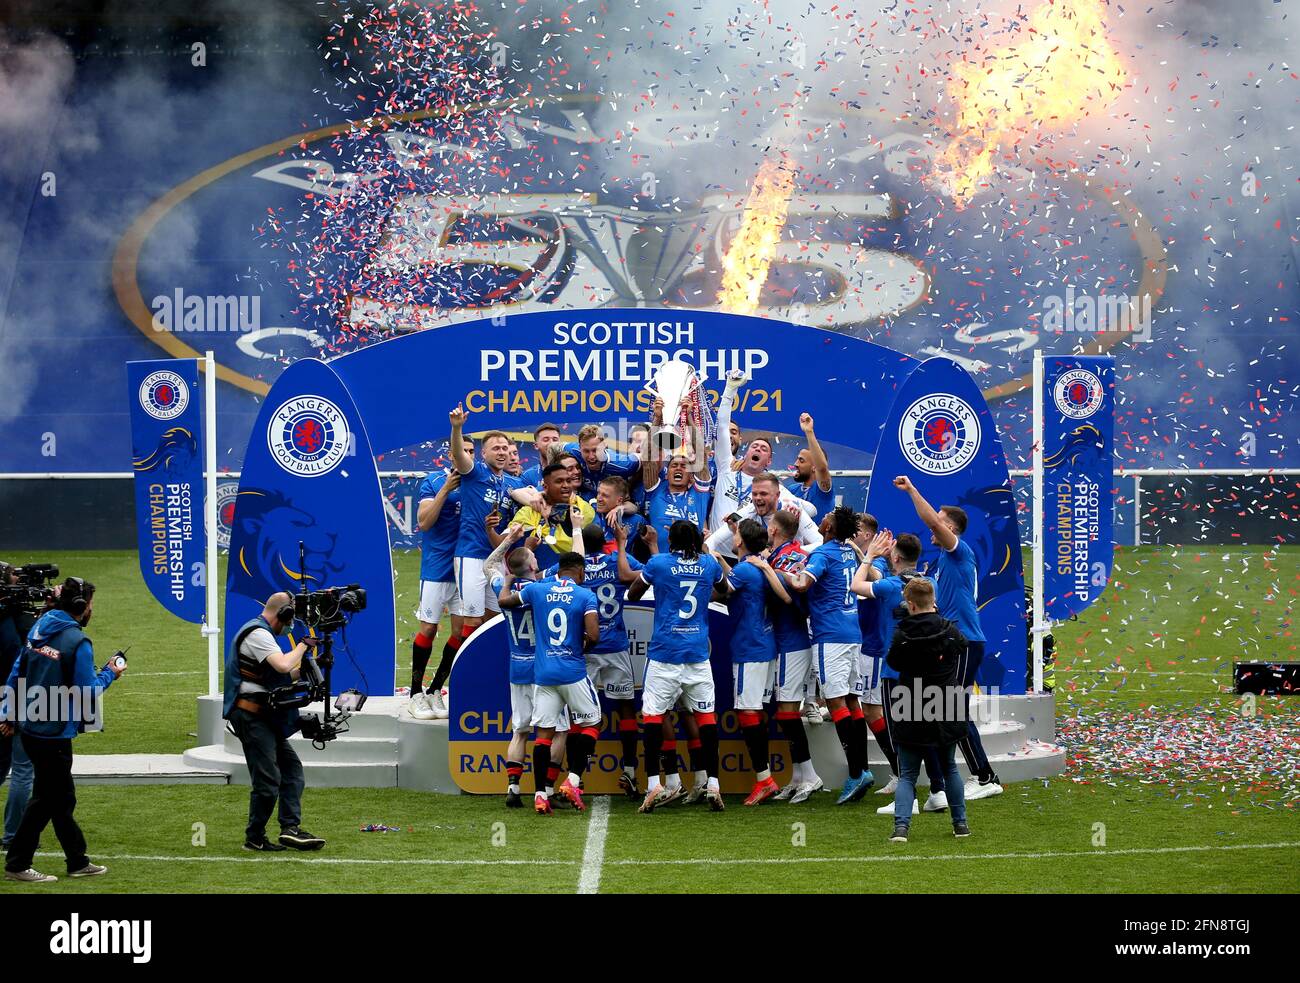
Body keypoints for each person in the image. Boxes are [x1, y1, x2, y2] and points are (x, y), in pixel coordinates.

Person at [3, 578, 125, 883]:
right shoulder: (77, 642)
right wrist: (110, 672)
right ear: (81, 607)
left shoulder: (40, 626)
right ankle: (19, 863)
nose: (92, 611)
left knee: (60, 796)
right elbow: (87, 691)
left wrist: (6, 712)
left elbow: (18, 669)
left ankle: (77, 859)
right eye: (91, 606)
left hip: (30, 727)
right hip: (53, 733)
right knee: (47, 799)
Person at [893, 475, 1003, 800]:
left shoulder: (959, 551)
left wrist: (912, 490)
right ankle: (945, 784)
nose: (933, 526)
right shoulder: (941, 561)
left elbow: (928, 518)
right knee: (945, 708)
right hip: (952, 641)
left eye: (940, 522)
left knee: (951, 709)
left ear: (951, 530)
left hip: (965, 641)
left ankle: (983, 777)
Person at [628, 520, 729, 813]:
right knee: (706, 719)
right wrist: (700, 593)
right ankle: (713, 782)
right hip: (697, 653)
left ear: (670, 540)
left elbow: (634, 594)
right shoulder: (709, 564)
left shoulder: (658, 563)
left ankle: (653, 784)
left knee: (653, 719)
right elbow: (725, 590)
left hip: (665, 654)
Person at [852, 532, 950, 816]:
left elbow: (856, 585)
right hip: (927, 668)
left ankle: (908, 797)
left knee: (902, 735)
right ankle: (937, 790)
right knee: (926, 730)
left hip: (895, 669)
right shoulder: (930, 584)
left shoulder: (889, 586)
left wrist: (870, 555)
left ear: (894, 556)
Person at [221, 592, 326, 853]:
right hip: (251, 715)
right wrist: (304, 645)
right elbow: (281, 666)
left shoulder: (262, 634)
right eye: (290, 619)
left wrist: (307, 668)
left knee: (291, 771)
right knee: (268, 781)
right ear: (284, 614)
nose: (290, 626)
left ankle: (290, 829)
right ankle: (254, 838)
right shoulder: (258, 633)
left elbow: (283, 673)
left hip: (263, 715)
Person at [498, 552, 600, 816]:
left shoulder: (537, 590)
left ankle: (540, 796)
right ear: (579, 572)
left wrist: (507, 582)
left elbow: (505, 602)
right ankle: (572, 781)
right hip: (572, 672)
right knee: (591, 723)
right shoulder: (585, 595)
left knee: (542, 735)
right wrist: (580, 645)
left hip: (543, 675)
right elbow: (595, 635)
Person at [785, 506, 874, 805]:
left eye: (828, 518)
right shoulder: (848, 552)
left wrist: (779, 571)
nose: (822, 518)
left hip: (830, 636)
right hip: (852, 633)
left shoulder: (822, 556)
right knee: (852, 700)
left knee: (836, 701)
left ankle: (855, 772)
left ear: (829, 529)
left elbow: (802, 584)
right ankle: (862, 770)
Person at [484, 528, 568, 808]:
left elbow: (488, 565)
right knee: (558, 731)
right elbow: (572, 560)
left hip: (517, 668)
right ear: (533, 565)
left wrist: (510, 540)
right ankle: (546, 789)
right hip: (544, 670)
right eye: (533, 556)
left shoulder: (502, 588)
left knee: (519, 731)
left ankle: (513, 787)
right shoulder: (543, 590)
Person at [448, 404, 546, 643]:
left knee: (496, 617)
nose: (502, 452)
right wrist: (457, 428)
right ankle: (471, 676)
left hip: (497, 558)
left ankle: (493, 674)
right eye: (495, 448)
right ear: (484, 453)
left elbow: (530, 496)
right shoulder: (475, 472)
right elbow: (460, 455)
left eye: (505, 448)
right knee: (472, 621)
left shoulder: (509, 482)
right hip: (471, 556)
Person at [884, 578, 971, 842]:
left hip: (911, 701)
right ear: (933, 601)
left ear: (909, 604)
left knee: (908, 773)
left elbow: (894, 663)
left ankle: (901, 828)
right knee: (950, 768)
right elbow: (963, 647)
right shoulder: (950, 630)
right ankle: (961, 825)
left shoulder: (901, 635)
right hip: (946, 701)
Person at [725, 519, 793, 806]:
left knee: (747, 712)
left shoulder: (743, 570)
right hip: (766, 645)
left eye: (736, 534)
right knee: (756, 711)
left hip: (750, 647)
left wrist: (712, 562)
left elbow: (721, 589)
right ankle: (764, 777)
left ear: (740, 541)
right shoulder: (757, 565)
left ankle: (764, 779)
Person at [409, 437, 474, 720]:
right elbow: (424, 522)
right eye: (464, 450)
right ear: (452, 454)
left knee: (461, 633)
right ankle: (414, 693)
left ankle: (436, 689)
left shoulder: (478, 482)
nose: (467, 455)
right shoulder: (434, 481)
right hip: (437, 568)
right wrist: (446, 489)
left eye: (472, 452)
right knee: (428, 629)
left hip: (467, 569)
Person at [767, 510, 824, 803]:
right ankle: (799, 776)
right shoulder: (780, 554)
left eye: (769, 526)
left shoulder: (791, 556)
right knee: (784, 711)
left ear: (775, 530)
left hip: (793, 639)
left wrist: (769, 571)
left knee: (788, 712)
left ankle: (811, 775)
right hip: (784, 639)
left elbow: (798, 595)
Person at [853, 514, 900, 794]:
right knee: (865, 708)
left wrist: (867, 555)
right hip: (857, 645)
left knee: (873, 711)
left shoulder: (878, 561)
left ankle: (899, 770)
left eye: (856, 531)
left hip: (873, 648)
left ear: (868, 535)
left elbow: (876, 578)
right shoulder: (855, 557)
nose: (851, 535)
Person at [0, 561, 36, 850]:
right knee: (23, 770)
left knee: (1, 766)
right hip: (15, 701)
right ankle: (15, 836)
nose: (20, 580)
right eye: (14, 576)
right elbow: (20, 661)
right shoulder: (16, 625)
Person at [705, 471, 822, 559]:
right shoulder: (749, 509)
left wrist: (787, 552)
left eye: (763, 494)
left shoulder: (793, 511)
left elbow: (821, 543)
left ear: (777, 495)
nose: (757, 498)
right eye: (754, 494)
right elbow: (715, 538)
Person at [511, 463, 596, 570]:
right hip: (537, 579)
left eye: (568, 481)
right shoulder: (529, 510)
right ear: (545, 486)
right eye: (559, 481)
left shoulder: (584, 509)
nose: (565, 485)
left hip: (571, 576)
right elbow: (507, 544)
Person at [566, 424, 640, 502]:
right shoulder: (573, 450)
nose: (591, 456)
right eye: (586, 451)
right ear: (580, 448)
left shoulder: (623, 464)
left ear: (605, 446)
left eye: (595, 450)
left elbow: (644, 457)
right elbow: (553, 447)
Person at [787, 412, 836, 519]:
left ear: (814, 467)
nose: (796, 464)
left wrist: (809, 432)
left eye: (801, 460)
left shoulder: (822, 491)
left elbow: (822, 468)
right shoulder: (791, 490)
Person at [521, 423, 564, 487]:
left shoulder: (571, 470)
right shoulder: (528, 476)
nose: (551, 443)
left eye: (555, 440)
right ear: (536, 446)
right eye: (546, 440)